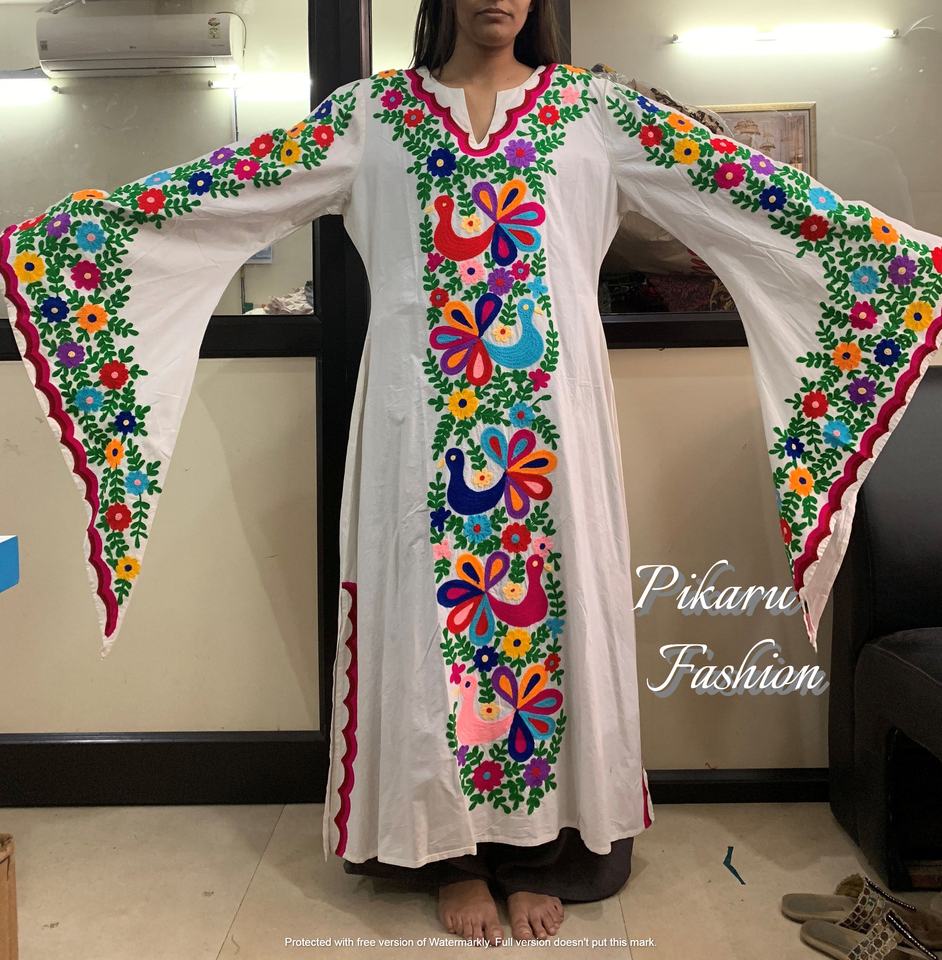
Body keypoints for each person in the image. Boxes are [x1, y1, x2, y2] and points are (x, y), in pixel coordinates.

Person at [2, 0, 940, 950]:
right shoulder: (373, 117)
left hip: (551, 446)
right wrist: (59, 247)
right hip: (418, 439)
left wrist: (908, 266)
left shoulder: (595, 113)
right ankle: (447, 855)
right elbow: (216, 193)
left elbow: (758, 199)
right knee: (424, 622)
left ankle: (539, 854)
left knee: (553, 623)